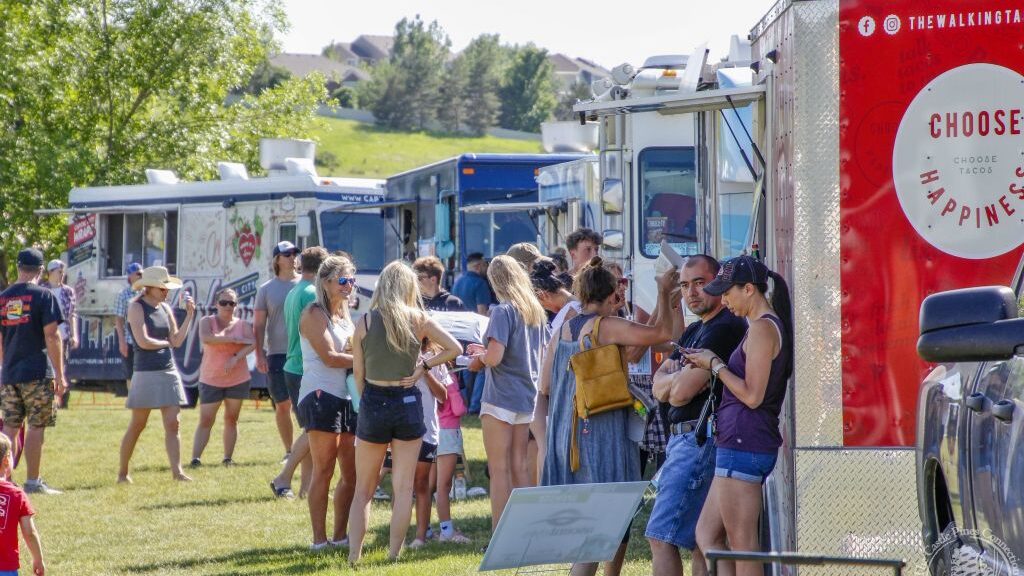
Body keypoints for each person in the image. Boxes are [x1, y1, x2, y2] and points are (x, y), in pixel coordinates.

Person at [540, 257, 678, 576]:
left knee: (590, 526)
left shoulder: (563, 328)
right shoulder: (605, 326)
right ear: (612, 292)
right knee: (601, 526)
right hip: (601, 433)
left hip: (568, 433)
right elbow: (662, 333)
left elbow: (545, 384)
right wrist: (663, 292)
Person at [684, 255, 794, 576]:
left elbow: (752, 395)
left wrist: (714, 365)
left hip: (745, 443)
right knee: (707, 534)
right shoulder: (759, 326)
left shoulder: (762, 328)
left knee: (743, 544)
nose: (724, 299)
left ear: (749, 289)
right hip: (737, 442)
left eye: (727, 292)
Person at [347, 261, 461, 565]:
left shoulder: (366, 321)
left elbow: (357, 374)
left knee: (363, 490)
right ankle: (394, 555)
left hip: (373, 398)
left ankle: (354, 557)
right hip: (407, 402)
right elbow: (455, 349)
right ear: (409, 286)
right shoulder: (418, 319)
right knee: (404, 487)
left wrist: (367, 400)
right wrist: (423, 366)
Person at [646, 255, 747, 576]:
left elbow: (680, 392)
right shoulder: (694, 332)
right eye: (685, 285)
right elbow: (656, 384)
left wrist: (672, 380)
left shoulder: (724, 328)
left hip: (699, 439)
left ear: (719, 282)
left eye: (700, 284)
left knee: (660, 535)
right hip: (687, 439)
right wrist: (671, 379)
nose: (691, 293)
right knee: (702, 541)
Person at [468, 255, 547, 532]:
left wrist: (478, 357)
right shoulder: (534, 310)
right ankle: (525, 529)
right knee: (520, 466)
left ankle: (500, 531)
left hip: (500, 395)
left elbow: (495, 358)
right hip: (527, 395)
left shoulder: (502, 311)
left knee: (498, 468)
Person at [297, 255, 359, 550]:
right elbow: (330, 357)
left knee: (352, 473)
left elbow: (348, 352)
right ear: (326, 282)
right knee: (324, 469)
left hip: (348, 397)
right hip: (320, 394)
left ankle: (340, 536)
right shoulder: (313, 313)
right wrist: (367, 361)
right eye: (344, 280)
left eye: (352, 280)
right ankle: (319, 541)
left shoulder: (344, 315)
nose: (350, 286)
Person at [117, 266, 196, 483]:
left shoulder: (166, 308)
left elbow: (177, 340)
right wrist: (166, 343)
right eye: (162, 288)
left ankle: (177, 472)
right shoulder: (136, 307)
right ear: (149, 287)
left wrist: (189, 316)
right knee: (138, 424)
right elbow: (142, 341)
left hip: (168, 370)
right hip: (146, 371)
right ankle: (123, 473)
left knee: (174, 423)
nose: (166, 291)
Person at [0, 249, 67, 495]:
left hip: (9, 373)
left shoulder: (3, 298)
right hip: (37, 371)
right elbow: (52, 335)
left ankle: (4, 482)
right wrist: (60, 374)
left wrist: (5, 367)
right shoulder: (44, 296)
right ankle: (32, 481)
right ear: (40, 271)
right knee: (37, 426)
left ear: (19, 267)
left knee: (9, 427)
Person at [270, 246, 327, 499]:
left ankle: (306, 489)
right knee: (314, 429)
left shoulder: (295, 291)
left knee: (309, 430)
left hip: (293, 366)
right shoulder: (313, 293)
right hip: (306, 367)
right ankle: (283, 477)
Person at [190, 288, 255, 467]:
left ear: (236, 305)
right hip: (211, 379)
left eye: (232, 303)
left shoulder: (243, 324)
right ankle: (195, 459)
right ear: (216, 304)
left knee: (231, 419)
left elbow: (253, 343)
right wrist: (234, 340)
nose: (228, 306)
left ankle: (227, 458)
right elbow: (207, 338)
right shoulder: (206, 321)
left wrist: (236, 357)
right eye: (224, 303)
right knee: (206, 420)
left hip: (238, 379)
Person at [254, 241, 301, 464]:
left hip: (303, 352)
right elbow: (258, 325)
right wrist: (259, 354)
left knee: (305, 404)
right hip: (276, 353)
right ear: (277, 260)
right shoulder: (266, 289)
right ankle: (290, 451)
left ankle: (306, 449)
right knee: (283, 404)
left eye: (294, 253)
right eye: (287, 254)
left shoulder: (306, 284)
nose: (293, 257)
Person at [409, 342, 448, 549]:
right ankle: (397, 533)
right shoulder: (397, 350)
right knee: (401, 485)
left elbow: (443, 396)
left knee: (422, 483)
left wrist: (424, 369)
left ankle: (420, 537)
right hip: (400, 426)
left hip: (426, 429)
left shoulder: (436, 356)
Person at [434, 360, 471, 544]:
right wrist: (461, 399)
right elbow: (458, 409)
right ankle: (446, 531)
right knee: (444, 486)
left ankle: (435, 529)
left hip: (434, 431)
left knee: (435, 486)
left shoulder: (431, 376)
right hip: (448, 433)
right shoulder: (449, 379)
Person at [0, 434, 45, 576]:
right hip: (5, 568)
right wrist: (38, 559)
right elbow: (29, 532)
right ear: (6, 461)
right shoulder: (16, 495)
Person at [115, 263, 144, 396]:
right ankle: (133, 398)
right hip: (129, 339)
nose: (140, 276)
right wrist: (122, 341)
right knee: (130, 372)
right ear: (130, 276)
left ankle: (146, 398)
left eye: (141, 273)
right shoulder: (123, 294)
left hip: (146, 338)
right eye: (137, 274)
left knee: (145, 370)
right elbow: (119, 319)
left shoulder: (147, 293)